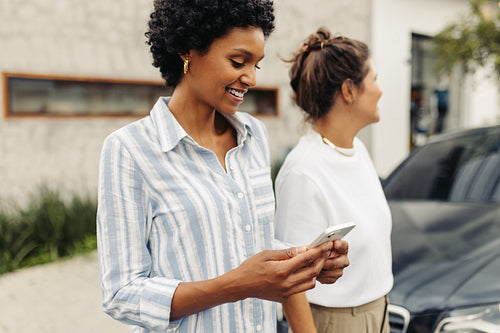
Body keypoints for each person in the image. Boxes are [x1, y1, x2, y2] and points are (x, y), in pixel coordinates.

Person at [96, 3, 349, 332]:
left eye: (257, 64)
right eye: (238, 61)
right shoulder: (130, 150)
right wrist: (236, 285)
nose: (252, 78)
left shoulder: (253, 135)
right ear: (188, 51)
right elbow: (121, 294)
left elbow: (254, 243)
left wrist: (306, 261)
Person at [275, 27, 393, 333]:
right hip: (333, 322)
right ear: (349, 90)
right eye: (374, 79)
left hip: (379, 313)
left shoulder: (358, 151)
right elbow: (291, 282)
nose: (380, 89)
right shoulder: (303, 171)